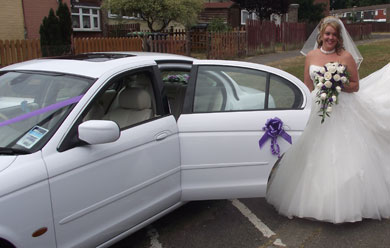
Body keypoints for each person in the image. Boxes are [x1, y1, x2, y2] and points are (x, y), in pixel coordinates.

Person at [266, 16, 390, 224]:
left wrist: (335, 84)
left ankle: (348, 202)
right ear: (321, 36)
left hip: (343, 110)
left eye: (334, 34)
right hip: (318, 109)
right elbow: (308, 86)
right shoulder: (311, 56)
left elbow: (355, 86)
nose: (330, 37)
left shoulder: (346, 56)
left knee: (344, 152)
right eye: (327, 34)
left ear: (338, 37)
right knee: (312, 149)